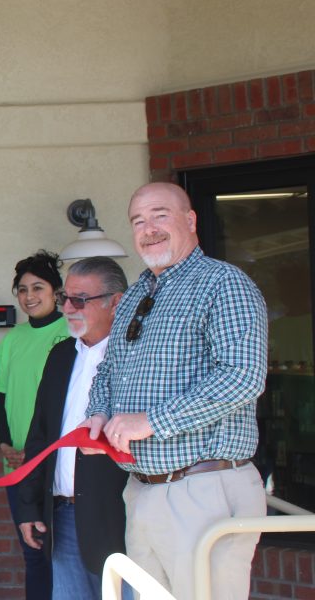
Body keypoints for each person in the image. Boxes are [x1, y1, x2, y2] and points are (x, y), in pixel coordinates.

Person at [82, 182, 268, 600]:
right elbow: (108, 371)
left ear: (190, 220)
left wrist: (151, 421)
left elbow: (242, 376)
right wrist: (98, 413)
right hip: (141, 489)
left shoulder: (224, 283)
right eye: (138, 221)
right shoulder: (133, 296)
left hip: (204, 488)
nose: (148, 229)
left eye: (160, 215)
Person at [16, 257, 130, 600]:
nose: (67, 307)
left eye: (80, 300)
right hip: (62, 515)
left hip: (118, 514)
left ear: (116, 302)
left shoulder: (135, 357)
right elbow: (40, 436)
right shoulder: (62, 354)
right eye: (65, 296)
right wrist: (29, 507)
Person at [0, 251, 69, 600]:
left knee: (64, 552)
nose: (29, 296)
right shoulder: (12, 339)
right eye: (22, 289)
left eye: (38, 287)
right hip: (19, 464)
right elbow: (0, 401)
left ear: (56, 291)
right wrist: (5, 445)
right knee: (33, 551)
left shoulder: (70, 330)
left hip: (55, 462)